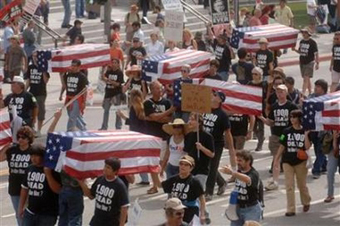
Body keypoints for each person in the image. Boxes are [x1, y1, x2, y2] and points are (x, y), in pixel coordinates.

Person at [272, 110, 311, 216]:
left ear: (299, 118)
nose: (292, 119)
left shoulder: (305, 131)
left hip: (300, 162)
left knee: (301, 185)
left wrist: (306, 135)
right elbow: (282, 145)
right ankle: (291, 209)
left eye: (294, 117)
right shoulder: (286, 131)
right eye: (291, 117)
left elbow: (307, 147)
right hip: (287, 161)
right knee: (289, 185)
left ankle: (306, 201)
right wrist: (276, 159)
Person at [259, 84, 298, 178]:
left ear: (286, 93)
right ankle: (275, 175)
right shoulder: (274, 106)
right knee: (276, 154)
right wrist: (262, 118)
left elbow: (297, 120)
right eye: (278, 92)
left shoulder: (291, 105)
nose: (279, 94)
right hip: (277, 134)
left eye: (282, 92)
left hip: (287, 134)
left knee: (289, 155)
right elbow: (271, 122)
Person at [78, 157, 130, 226]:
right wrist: (81, 183)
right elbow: (91, 195)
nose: (105, 169)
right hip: (97, 221)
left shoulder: (119, 185)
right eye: (105, 166)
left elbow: (124, 207)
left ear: (115, 171)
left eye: (108, 168)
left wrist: (121, 224)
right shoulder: (100, 179)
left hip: (111, 223)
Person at [204, 91, 236, 201]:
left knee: (212, 167)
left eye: (215, 95)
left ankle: (208, 192)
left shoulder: (222, 115)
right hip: (204, 142)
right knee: (205, 166)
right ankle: (221, 182)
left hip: (216, 144)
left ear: (220, 100)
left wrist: (231, 147)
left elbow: (228, 132)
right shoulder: (205, 109)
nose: (213, 95)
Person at [143, 81, 175, 193]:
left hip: (164, 136)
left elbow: (169, 119)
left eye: (161, 88)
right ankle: (155, 186)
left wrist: (157, 117)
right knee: (153, 162)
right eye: (157, 88)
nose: (160, 90)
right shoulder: (147, 103)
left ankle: (167, 182)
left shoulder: (167, 102)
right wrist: (166, 113)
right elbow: (153, 116)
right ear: (151, 90)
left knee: (163, 162)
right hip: (152, 137)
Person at [18, 144, 61, 226]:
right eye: (31, 156)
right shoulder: (29, 169)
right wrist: (21, 208)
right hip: (30, 211)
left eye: (36, 156)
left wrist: (48, 174)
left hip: (48, 214)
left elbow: (57, 190)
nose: (33, 159)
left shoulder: (52, 170)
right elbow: (24, 189)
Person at [0, 126, 34, 226]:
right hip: (14, 188)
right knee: (19, 214)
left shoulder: (33, 151)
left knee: (30, 213)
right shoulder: (12, 150)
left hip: (30, 188)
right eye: (18, 137)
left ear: (28, 139)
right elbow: (1, 158)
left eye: (23, 137)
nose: (20, 139)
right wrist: (6, 146)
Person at [220, 151, 262, 225]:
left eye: (240, 160)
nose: (238, 162)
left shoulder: (253, 174)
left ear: (248, 161)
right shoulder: (239, 171)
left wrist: (232, 173)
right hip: (238, 208)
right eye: (237, 160)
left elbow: (247, 179)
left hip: (251, 209)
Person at [162, 155, 206, 224]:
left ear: (191, 168)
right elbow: (160, 185)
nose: (182, 166)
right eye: (181, 164)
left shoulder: (194, 181)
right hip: (175, 210)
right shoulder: (173, 179)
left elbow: (202, 198)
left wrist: (202, 214)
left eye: (186, 165)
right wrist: (155, 173)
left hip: (190, 211)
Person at [185, 113, 215, 191]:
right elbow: (186, 151)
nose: (190, 122)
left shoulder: (207, 136)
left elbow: (212, 154)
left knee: (199, 192)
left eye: (193, 119)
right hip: (190, 168)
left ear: (199, 123)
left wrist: (202, 148)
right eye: (189, 119)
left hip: (202, 168)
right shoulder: (189, 135)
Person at [307, 79, 329, 179]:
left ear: (323, 89)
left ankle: (316, 170)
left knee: (320, 150)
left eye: (318, 86)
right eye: (315, 86)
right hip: (313, 129)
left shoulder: (327, 100)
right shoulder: (311, 97)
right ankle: (324, 165)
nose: (315, 88)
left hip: (324, 130)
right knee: (317, 149)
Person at [25, 51, 50, 136]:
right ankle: (32, 128)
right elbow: (29, 80)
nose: (35, 58)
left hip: (41, 93)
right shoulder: (30, 67)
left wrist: (42, 70)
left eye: (36, 56)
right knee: (30, 111)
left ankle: (39, 129)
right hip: (32, 92)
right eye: (33, 56)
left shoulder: (44, 67)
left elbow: (45, 81)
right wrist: (24, 90)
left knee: (40, 110)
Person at [62, 59, 89, 131]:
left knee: (72, 117)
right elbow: (64, 85)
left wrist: (84, 102)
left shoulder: (82, 77)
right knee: (72, 115)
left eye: (75, 66)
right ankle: (84, 129)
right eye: (72, 65)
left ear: (79, 67)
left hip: (77, 98)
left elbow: (85, 90)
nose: (73, 67)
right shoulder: (68, 75)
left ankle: (69, 132)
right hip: (69, 98)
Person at [99, 58, 125, 130]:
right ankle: (104, 126)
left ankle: (118, 127)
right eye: (112, 62)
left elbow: (118, 84)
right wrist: (103, 71)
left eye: (115, 63)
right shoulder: (109, 71)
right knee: (106, 110)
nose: (113, 64)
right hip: (108, 93)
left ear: (118, 64)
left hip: (116, 93)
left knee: (117, 111)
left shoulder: (119, 73)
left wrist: (110, 81)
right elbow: (103, 78)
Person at [292, 27, 319, 96]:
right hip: (302, 62)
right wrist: (294, 50)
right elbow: (300, 52)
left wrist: (317, 63)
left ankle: (303, 94)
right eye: (303, 32)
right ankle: (310, 93)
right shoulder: (301, 41)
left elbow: (316, 53)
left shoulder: (312, 42)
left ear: (308, 34)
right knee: (307, 79)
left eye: (305, 32)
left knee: (306, 78)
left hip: (309, 62)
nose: (303, 34)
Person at [248, 67, 268, 152]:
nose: (254, 76)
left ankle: (259, 144)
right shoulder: (249, 83)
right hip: (252, 107)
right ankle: (260, 137)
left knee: (261, 126)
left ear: (260, 75)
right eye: (252, 74)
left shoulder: (264, 84)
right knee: (254, 127)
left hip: (261, 107)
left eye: (255, 74)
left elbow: (267, 95)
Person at [324, 130, 340, 203]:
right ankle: (330, 194)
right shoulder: (331, 124)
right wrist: (334, 138)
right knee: (330, 171)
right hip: (332, 149)